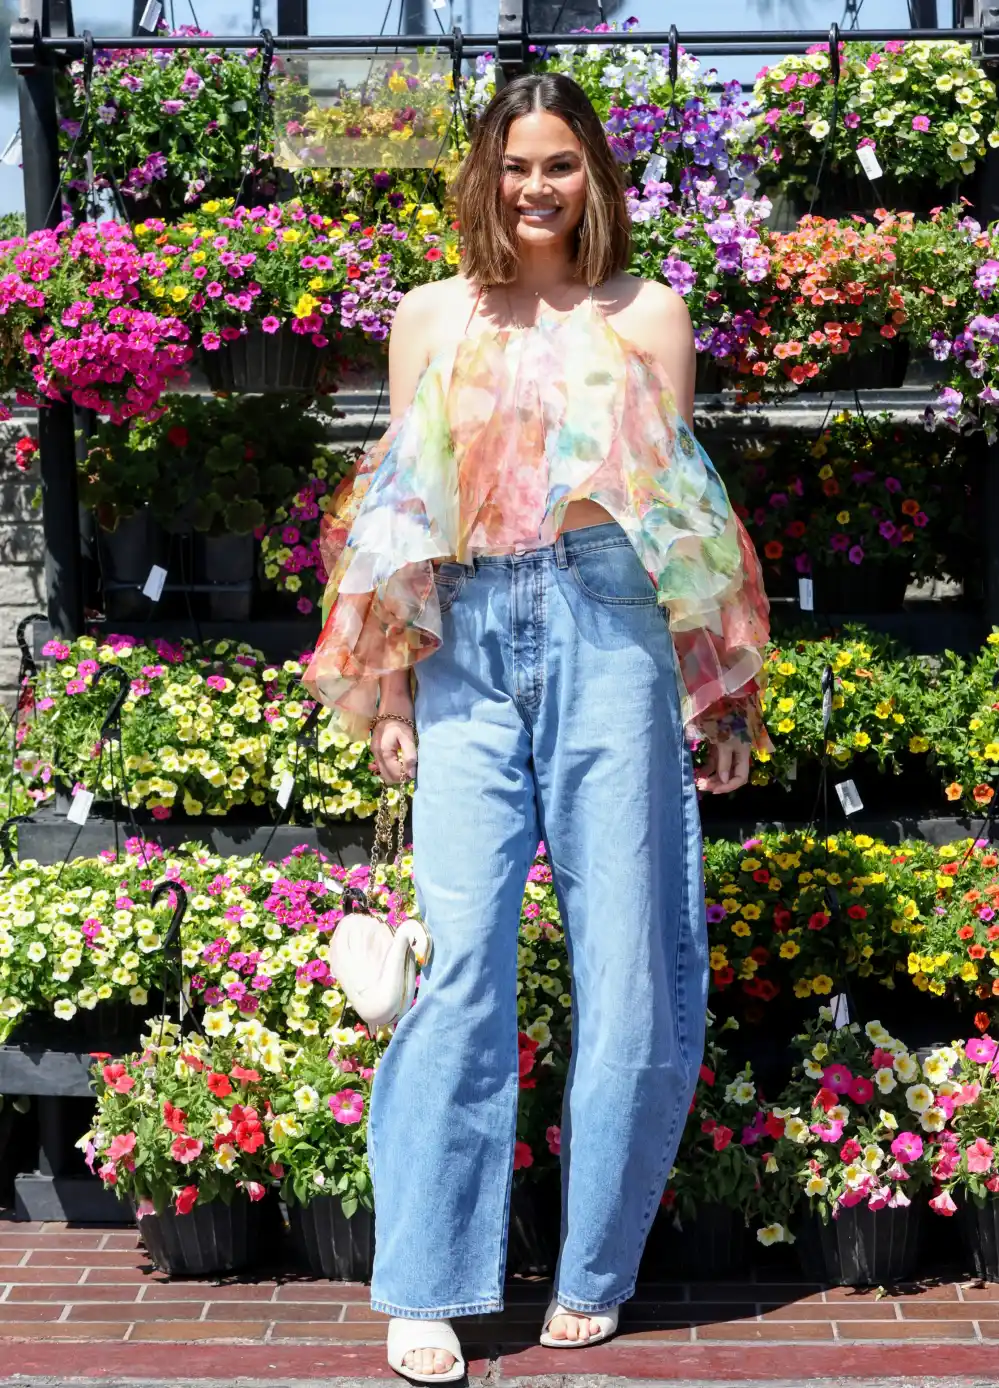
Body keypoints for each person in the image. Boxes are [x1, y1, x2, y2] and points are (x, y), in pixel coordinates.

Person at [304, 70, 771, 1385]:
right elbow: (399, 508)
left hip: (608, 621)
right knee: (455, 961)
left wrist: (714, 687)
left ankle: (593, 1271)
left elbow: (680, 515)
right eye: (515, 166)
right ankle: (427, 1285)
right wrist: (389, 685)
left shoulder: (647, 313)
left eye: (560, 165)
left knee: (628, 959)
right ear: (483, 176)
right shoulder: (430, 315)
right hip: (463, 635)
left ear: (595, 178)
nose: (536, 188)